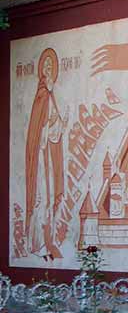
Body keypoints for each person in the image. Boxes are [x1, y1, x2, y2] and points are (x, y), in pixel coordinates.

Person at [24, 48, 65, 261]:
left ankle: (48, 242)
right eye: (46, 67)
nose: (49, 71)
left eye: (51, 67)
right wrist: (50, 126)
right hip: (40, 160)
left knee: (49, 200)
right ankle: (37, 245)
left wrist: (58, 123)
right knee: (40, 199)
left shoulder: (51, 97)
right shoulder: (41, 96)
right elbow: (37, 131)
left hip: (48, 157)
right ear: (42, 71)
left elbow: (53, 131)